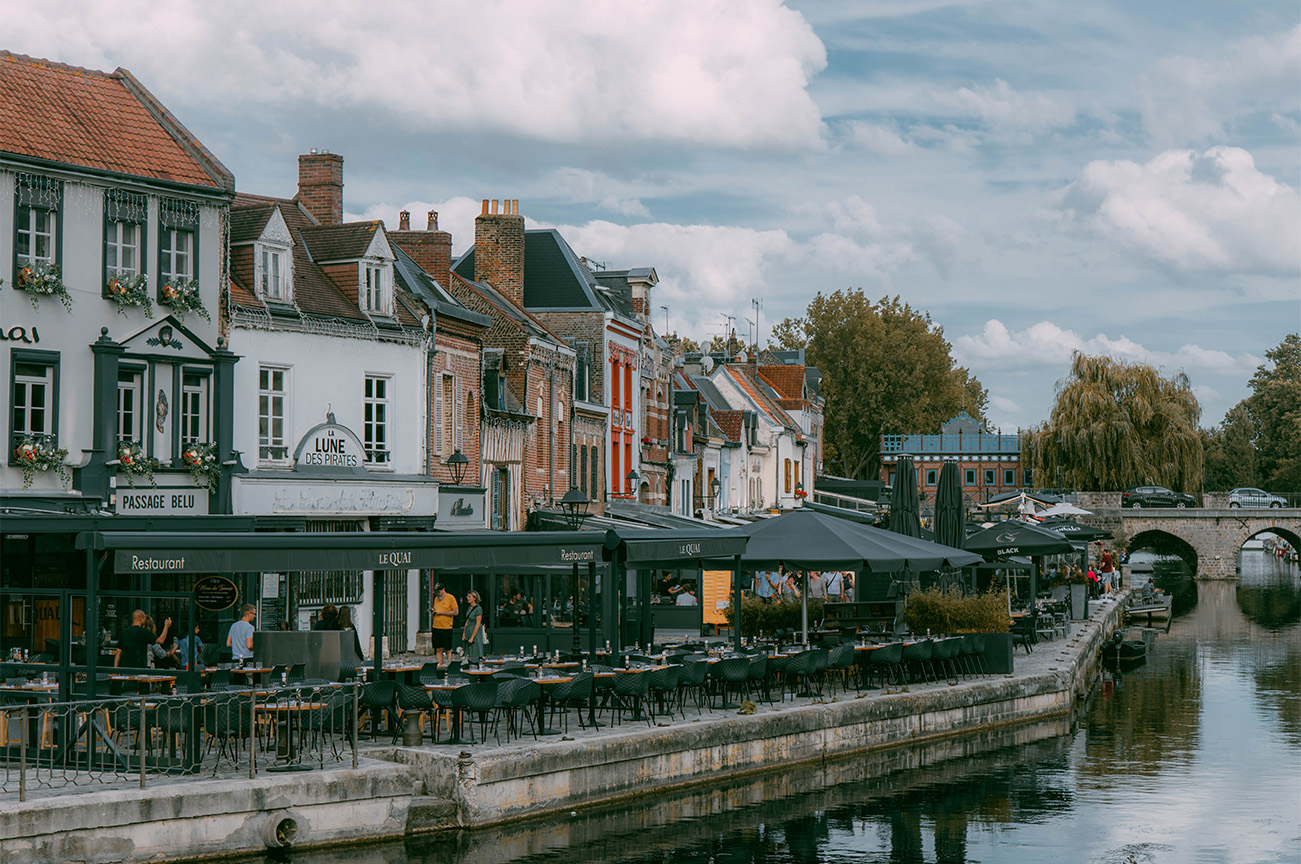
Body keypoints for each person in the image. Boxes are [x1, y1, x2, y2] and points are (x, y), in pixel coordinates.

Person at [431, 582, 458, 665]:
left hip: (446, 627)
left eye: (439, 592)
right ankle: (439, 666)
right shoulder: (436, 599)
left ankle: (449, 666)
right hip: (436, 626)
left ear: (443, 590)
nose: (438, 594)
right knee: (438, 649)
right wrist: (434, 612)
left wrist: (441, 612)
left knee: (448, 649)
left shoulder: (450, 598)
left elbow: (455, 612)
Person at [462, 590, 486, 660]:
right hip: (468, 630)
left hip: (475, 632)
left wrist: (472, 637)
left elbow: (478, 623)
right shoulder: (470, 607)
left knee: (475, 651)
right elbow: (467, 620)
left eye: (469, 596)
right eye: (467, 596)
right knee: (468, 653)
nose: (468, 598)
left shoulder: (478, 609)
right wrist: (464, 633)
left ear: (474, 598)